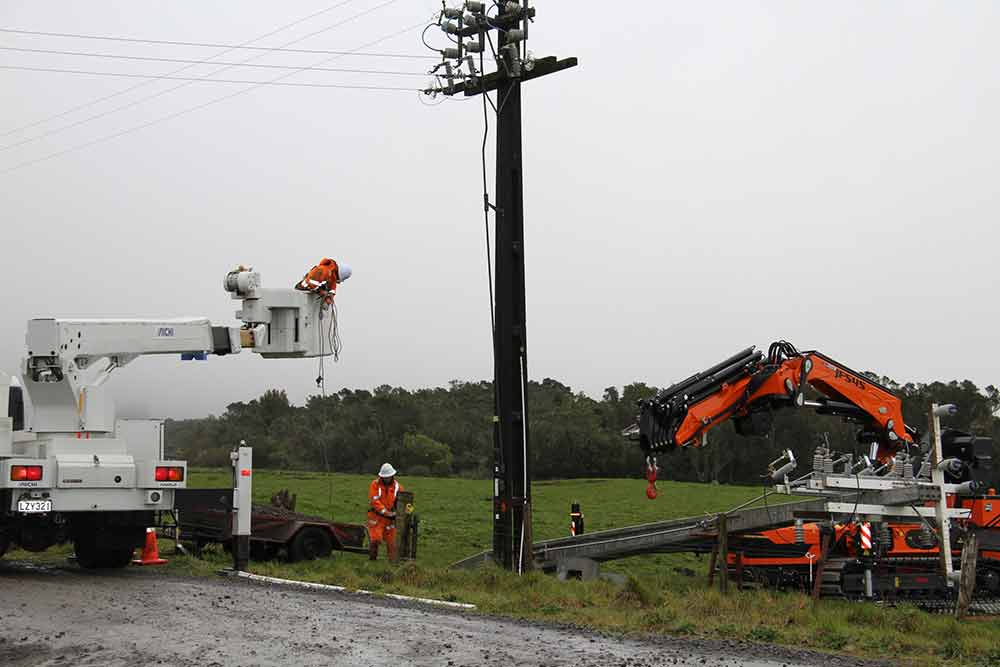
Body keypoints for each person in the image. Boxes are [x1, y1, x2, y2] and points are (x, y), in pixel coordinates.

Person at [367, 462, 402, 561]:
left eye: (389, 476)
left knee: (392, 543)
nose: (387, 478)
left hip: (390, 520)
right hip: (376, 518)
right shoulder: (374, 485)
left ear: (392, 476)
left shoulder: (398, 487)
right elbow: (375, 501)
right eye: (385, 477)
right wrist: (387, 513)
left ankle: (392, 562)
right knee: (375, 539)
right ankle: (372, 560)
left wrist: (407, 511)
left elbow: (404, 501)